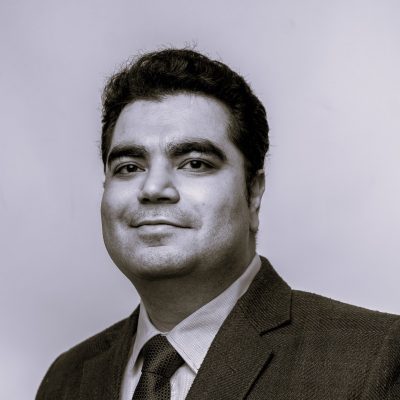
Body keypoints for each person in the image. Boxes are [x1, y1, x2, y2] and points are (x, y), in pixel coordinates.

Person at [36, 48, 400, 400]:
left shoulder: (373, 358)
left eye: (195, 163)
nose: (153, 188)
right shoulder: (65, 380)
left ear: (253, 193)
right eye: (129, 167)